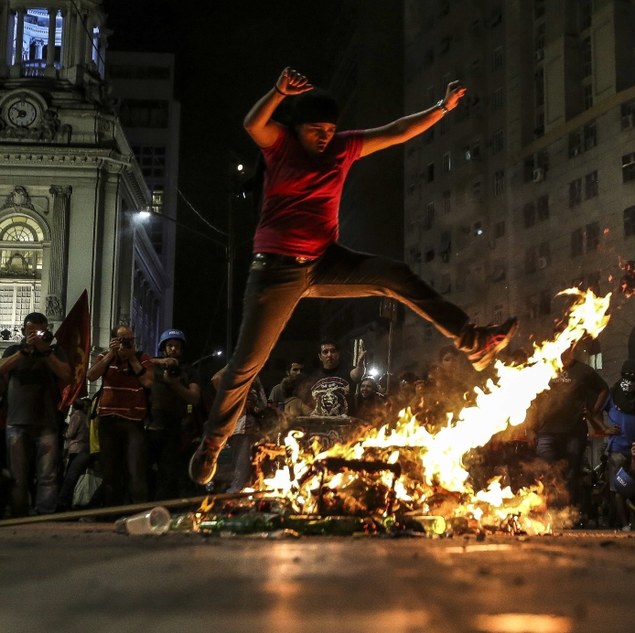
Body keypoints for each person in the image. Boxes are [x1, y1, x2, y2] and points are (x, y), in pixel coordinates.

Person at [189, 68, 517, 485]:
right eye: (315, 130)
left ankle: (473, 341)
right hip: (275, 271)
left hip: (326, 262)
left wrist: (442, 108)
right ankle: (212, 446)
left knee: (394, 275)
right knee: (245, 366)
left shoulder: (343, 148)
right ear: (298, 128)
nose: (324, 137)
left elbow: (397, 131)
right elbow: (252, 123)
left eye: (329, 129)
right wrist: (277, 92)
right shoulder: (281, 145)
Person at [0, 312, 72, 516]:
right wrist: (24, 352)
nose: (36, 335)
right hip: (16, 422)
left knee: (47, 475)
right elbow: (1, 369)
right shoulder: (14, 349)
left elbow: (67, 375)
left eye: (41, 331)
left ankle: (45, 515)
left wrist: (45, 351)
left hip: (46, 421)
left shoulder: (55, 351)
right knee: (17, 476)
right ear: (23, 331)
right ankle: (19, 515)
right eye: (31, 331)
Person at [530, 341, 609, 516]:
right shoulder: (545, 368)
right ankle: (550, 513)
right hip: (546, 432)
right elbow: (532, 398)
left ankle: (567, 515)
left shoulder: (583, 371)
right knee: (548, 471)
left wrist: (593, 411)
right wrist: (531, 427)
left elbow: (604, 389)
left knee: (571, 474)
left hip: (574, 433)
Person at [87, 325, 154, 506]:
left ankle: (140, 514)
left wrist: (132, 358)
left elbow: (148, 382)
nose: (128, 343)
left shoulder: (142, 358)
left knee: (136, 472)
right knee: (109, 474)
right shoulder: (106, 358)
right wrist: (110, 354)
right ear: (114, 340)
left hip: (134, 423)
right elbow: (91, 376)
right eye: (123, 339)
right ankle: (110, 515)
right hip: (108, 421)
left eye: (130, 340)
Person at [146, 329, 201, 500]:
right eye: (170, 345)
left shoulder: (189, 371)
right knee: (141, 472)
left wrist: (175, 384)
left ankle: (164, 512)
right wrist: (160, 362)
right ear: (163, 348)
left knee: (168, 475)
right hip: (150, 426)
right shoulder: (152, 366)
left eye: (177, 346)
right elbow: (136, 361)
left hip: (174, 428)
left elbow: (194, 398)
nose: (173, 349)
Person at [603, 359, 635, 530]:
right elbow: (595, 411)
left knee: (634, 487)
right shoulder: (613, 394)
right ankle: (624, 524)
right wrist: (604, 429)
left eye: (633, 376)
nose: (630, 379)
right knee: (619, 488)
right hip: (617, 449)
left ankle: (634, 523)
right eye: (627, 375)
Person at [57, 396, 92, 511]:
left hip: (76, 448)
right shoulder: (84, 416)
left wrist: (64, 434)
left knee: (70, 476)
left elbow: (70, 433)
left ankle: (64, 502)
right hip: (82, 447)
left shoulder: (76, 415)